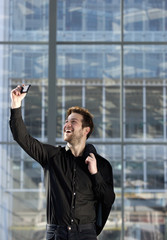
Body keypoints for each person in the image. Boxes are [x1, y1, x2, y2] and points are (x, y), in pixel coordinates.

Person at [9, 85, 115, 240]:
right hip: (55, 233)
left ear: (86, 130)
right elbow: (22, 137)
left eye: (73, 121)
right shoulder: (51, 156)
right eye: (66, 121)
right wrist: (15, 104)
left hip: (85, 234)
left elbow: (108, 200)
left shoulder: (102, 165)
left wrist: (95, 174)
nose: (67, 125)